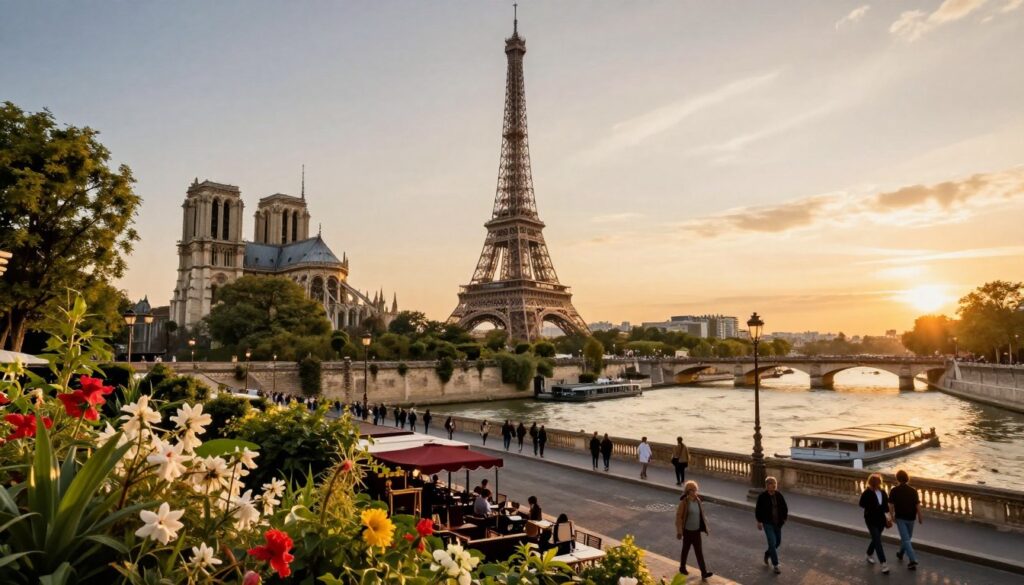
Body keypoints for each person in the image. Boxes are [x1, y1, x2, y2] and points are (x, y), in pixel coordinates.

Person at [676, 480, 713, 581]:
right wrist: (679, 531)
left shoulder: (698, 500)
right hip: (688, 531)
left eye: (695, 490)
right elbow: (679, 517)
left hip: (696, 531)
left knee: (699, 552)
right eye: (693, 490)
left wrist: (705, 526)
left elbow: (701, 514)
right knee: (685, 550)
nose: (695, 492)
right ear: (688, 491)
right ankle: (682, 567)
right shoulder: (684, 502)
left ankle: (704, 572)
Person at [859, 473, 892, 574]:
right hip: (871, 520)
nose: (879, 483)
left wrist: (889, 517)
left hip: (881, 520)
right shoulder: (867, 493)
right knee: (878, 541)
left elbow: (886, 507)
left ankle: (869, 554)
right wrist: (872, 506)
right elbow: (861, 504)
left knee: (875, 539)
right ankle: (884, 564)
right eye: (877, 482)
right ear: (873, 483)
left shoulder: (882, 492)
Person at [889, 469, 923, 570]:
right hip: (911, 518)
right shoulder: (913, 491)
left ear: (897, 479)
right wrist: (920, 517)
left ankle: (900, 553)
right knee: (907, 538)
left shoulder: (894, 490)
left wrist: (891, 516)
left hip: (900, 518)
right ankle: (912, 559)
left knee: (906, 539)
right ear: (907, 478)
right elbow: (918, 506)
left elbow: (890, 505)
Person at [755, 476, 788, 574]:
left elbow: (784, 507)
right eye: (771, 484)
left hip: (778, 523)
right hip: (767, 523)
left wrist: (784, 518)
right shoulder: (762, 496)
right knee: (772, 543)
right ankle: (776, 565)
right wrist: (759, 521)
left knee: (777, 542)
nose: (774, 486)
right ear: (767, 486)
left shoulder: (778, 495)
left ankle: (767, 553)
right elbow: (758, 509)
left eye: (775, 484)